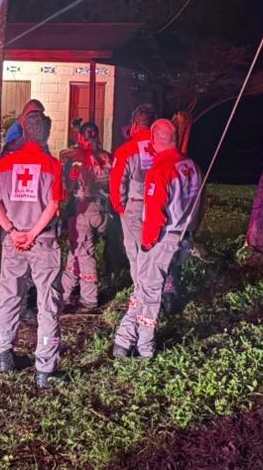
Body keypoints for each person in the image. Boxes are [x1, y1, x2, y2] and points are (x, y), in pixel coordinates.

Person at [0, 111, 64, 389]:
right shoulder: (52, 165)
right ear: (46, 134)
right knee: (47, 302)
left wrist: (12, 230)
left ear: (25, 133)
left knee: (8, 295)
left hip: (14, 241)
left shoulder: (6, 164)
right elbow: (54, 204)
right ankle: (45, 369)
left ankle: (4, 356)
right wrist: (33, 233)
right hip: (42, 241)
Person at [112, 119, 201, 360]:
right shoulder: (191, 165)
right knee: (143, 288)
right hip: (183, 238)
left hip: (162, 240)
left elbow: (154, 216)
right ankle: (122, 341)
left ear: (153, 140)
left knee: (148, 295)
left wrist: (147, 244)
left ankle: (145, 350)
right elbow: (200, 204)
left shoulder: (160, 170)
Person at [58, 121, 112, 311]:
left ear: (81, 137)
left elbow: (70, 184)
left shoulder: (76, 158)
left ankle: (89, 297)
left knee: (84, 253)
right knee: (77, 252)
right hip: (103, 210)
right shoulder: (106, 156)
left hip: (82, 209)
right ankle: (64, 292)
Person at [110, 104, 158, 280]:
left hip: (134, 206)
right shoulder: (161, 145)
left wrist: (120, 206)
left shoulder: (126, 150)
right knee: (156, 247)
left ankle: (140, 291)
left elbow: (116, 182)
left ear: (135, 125)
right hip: (159, 206)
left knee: (135, 249)